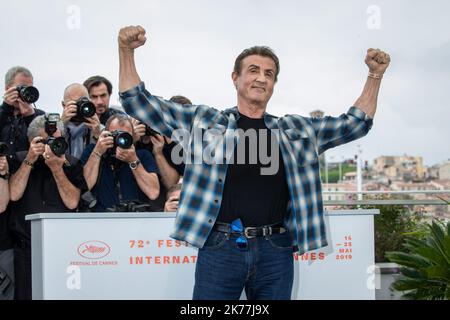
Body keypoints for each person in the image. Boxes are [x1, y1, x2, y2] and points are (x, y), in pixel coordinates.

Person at [118, 25, 390, 300]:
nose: (261, 78)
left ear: (273, 84)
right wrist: (126, 51)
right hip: (218, 248)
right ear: (235, 78)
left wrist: (375, 75)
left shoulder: (296, 131)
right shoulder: (204, 122)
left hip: (276, 250)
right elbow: (137, 102)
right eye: (253, 70)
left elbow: (356, 123)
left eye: (269, 74)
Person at [8, 115, 87, 299]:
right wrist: (30, 159)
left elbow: (72, 202)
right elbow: (13, 194)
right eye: (46, 140)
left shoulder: (71, 163)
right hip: (25, 249)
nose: (52, 145)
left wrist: (57, 168)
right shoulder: (20, 159)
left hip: (61, 249)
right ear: (32, 141)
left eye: (56, 140)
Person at [0, 66, 45, 300]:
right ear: (8, 89)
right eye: (21, 88)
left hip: (29, 194)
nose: (26, 92)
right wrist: (6, 108)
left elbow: (44, 136)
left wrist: (29, 113)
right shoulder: (2, 115)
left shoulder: (38, 115)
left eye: (30, 87)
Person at [80, 114, 160, 212]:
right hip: (101, 218)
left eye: (125, 136)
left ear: (133, 137)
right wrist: (97, 153)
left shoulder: (142, 155)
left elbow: (153, 192)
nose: (120, 140)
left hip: (134, 218)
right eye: (115, 134)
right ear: (105, 134)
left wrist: (133, 161)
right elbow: (83, 187)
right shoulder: (93, 151)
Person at [61, 83, 103, 160]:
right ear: (63, 105)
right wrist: (61, 125)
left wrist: (97, 135)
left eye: (83, 102)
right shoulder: (54, 128)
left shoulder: (101, 129)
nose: (80, 107)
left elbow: (105, 159)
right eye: (75, 103)